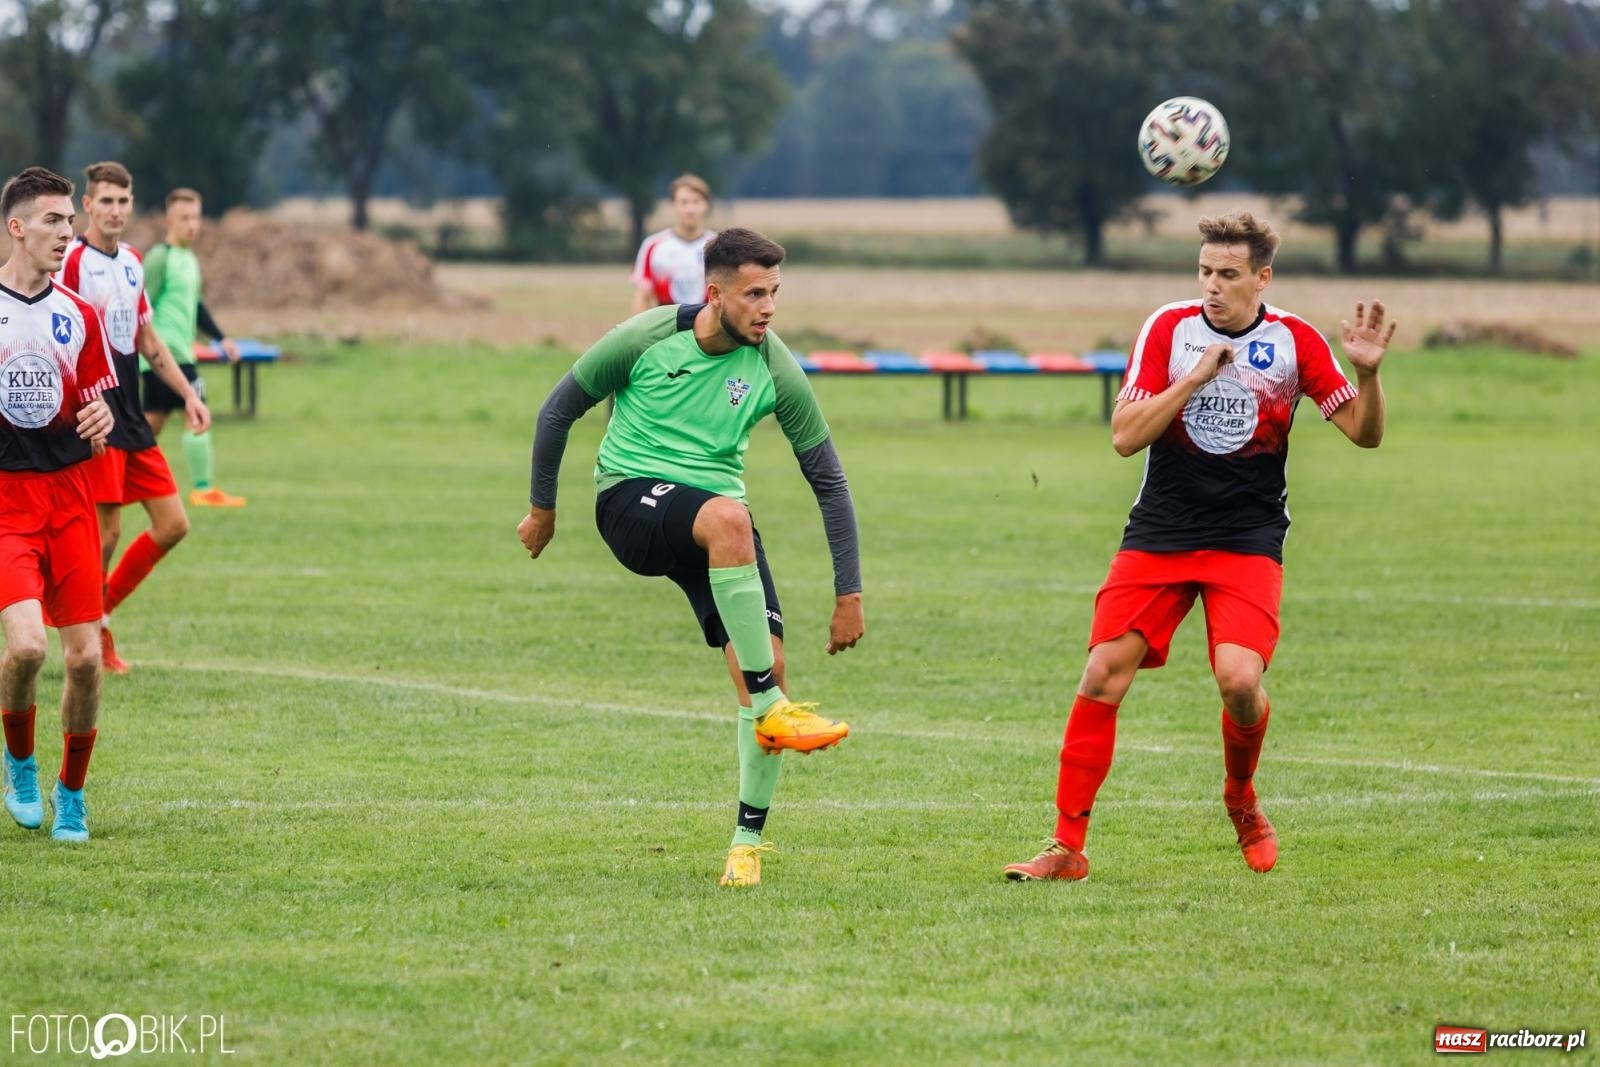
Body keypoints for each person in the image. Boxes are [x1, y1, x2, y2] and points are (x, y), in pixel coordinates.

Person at [1004, 211, 1394, 881]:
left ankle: (1240, 797)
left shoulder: (1293, 340)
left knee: (1240, 681)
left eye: (1229, 274)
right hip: (1162, 529)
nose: (1213, 285)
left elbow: (1365, 433)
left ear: (1262, 278)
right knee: (1102, 671)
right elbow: (1124, 437)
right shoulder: (1170, 329)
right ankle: (1066, 848)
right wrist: (1193, 378)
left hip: (1247, 537)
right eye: (1205, 271)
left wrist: (1369, 376)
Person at [520, 227, 865, 888]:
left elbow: (829, 480)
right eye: (754, 293)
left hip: (715, 528)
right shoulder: (646, 337)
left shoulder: (774, 366)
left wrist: (849, 593)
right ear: (714, 294)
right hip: (630, 502)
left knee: (767, 663)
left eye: (775, 293)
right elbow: (557, 412)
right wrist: (543, 510)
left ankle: (745, 847)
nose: (768, 308)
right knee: (731, 520)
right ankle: (772, 707)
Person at [0, 166, 118, 842]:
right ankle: (19, 762)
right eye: (53, 220)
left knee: (84, 660)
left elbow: (97, 404)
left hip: (70, 495)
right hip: (7, 498)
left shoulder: (80, 315)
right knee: (25, 648)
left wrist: (101, 418)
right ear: (17, 227)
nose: (65, 232)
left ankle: (71, 793)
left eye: (69, 221)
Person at [56, 162, 211, 674]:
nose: (116, 210)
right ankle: (88, 636)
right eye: (106, 201)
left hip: (132, 414)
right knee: (105, 536)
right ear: (87, 206)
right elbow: (61, 337)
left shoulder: (133, 262)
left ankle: (99, 615)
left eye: (123, 201)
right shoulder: (73, 261)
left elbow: (146, 338)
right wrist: (82, 411)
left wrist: (188, 395)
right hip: (98, 412)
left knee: (173, 524)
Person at [143, 187, 244, 507]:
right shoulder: (160, 257)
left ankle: (112, 475)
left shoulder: (189, 259)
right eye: (185, 217)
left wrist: (221, 338)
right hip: (165, 355)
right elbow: (140, 305)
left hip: (180, 354)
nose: (192, 224)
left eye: (196, 217)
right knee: (195, 410)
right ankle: (202, 489)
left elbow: (196, 306)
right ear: (169, 219)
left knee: (150, 425)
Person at [630, 174, 715, 314]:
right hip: (668, 324)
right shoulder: (653, 246)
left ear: (706, 205)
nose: (690, 209)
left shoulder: (718, 246)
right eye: (684, 202)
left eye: (696, 202)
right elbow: (642, 296)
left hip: (708, 323)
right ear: (674, 205)